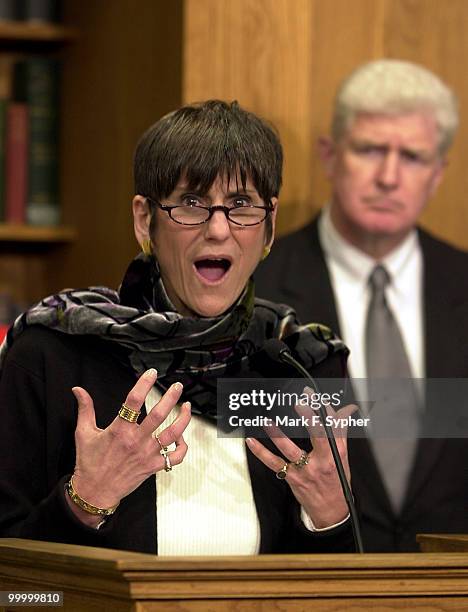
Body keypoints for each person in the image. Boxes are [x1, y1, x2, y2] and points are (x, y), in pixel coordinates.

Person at [0, 100, 355, 555]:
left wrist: (330, 518)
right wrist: (85, 500)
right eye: (191, 203)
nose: (218, 230)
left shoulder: (301, 363)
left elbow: (337, 588)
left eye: (241, 204)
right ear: (145, 219)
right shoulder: (54, 354)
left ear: (268, 227)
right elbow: (15, 591)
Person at [255, 59, 468, 552]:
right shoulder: (257, 289)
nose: (389, 177)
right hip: (311, 587)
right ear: (330, 156)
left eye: (412, 157)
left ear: (438, 173)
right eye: (371, 150)